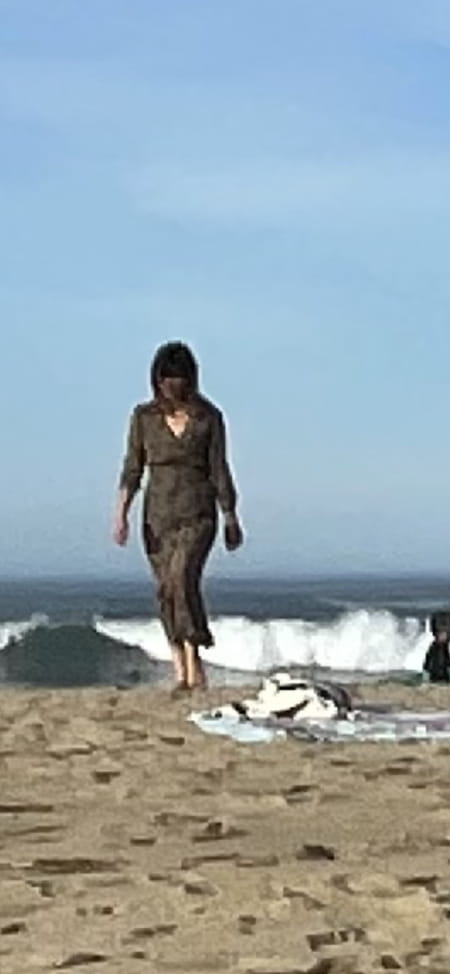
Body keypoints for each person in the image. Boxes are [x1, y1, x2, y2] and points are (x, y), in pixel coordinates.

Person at [113, 341, 243, 694]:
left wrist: (230, 516)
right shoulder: (144, 418)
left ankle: (193, 661)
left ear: (190, 378)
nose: (172, 384)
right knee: (166, 590)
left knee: (182, 578)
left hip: (198, 514)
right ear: (157, 379)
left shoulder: (208, 418)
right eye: (166, 377)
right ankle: (180, 669)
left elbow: (219, 469)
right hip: (157, 518)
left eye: (178, 377)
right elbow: (132, 468)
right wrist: (121, 514)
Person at [423, 612, 450, 684]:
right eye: (440, 632)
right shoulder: (434, 647)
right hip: (436, 678)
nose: (443, 636)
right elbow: (426, 666)